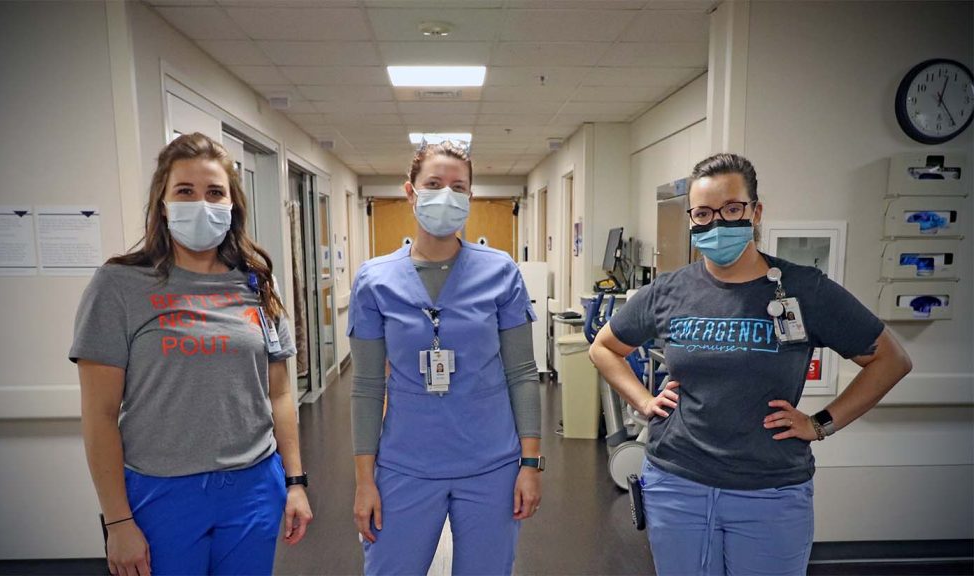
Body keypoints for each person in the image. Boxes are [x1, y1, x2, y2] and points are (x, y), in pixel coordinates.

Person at [589, 153, 912, 575]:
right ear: (691, 219)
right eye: (703, 213)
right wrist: (644, 401)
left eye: (732, 209)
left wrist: (821, 424)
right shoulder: (670, 290)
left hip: (770, 491)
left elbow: (890, 360)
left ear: (756, 211)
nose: (717, 223)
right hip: (678, 483)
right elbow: (604, 347)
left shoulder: (803, 289)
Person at [71, 133, 313, 576]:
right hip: (160, 493)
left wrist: (294, 482)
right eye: (185, 191)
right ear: (162, 204)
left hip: (253, 486)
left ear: (232, 204)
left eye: (214, 192)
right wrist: (118, 520)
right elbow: (100, 413)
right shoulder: (119, 285)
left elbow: (279, 394)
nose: (202, 203)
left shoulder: (258, 284)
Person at [348, 141, 543, 575]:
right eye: (433, 184)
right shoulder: (375, 281)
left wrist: (530, 464)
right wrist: (364, 481)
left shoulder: (500, 272)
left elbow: (523, 374)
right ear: (410, 191)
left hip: (491, 466)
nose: (446, 195)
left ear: (470, 197)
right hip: (405, 465)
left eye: (458, 187)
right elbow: (365, 387)